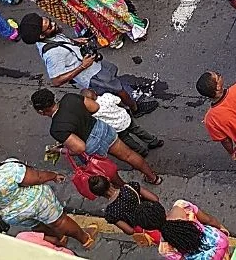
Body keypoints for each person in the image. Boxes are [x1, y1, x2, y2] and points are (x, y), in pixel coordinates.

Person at [30, 88, 162, 184]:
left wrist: (60, 150)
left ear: (41, 112)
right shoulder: (70, 98)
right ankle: (154, 178)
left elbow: (79, 148)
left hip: (91, 146)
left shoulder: (56, 129)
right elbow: (95, 107)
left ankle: (124, 188)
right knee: (128, 155)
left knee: (109, 171)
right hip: (103, 129)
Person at [0, 155, 97, 249]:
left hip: (14, 215)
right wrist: (53, 176)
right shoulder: (6, 172)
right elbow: (37, 177)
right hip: (37, 202)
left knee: (38, 225)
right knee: (60, 222)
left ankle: (60, 239)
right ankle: (85, 239)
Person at [81, 89, 162, 157]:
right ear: (94, 92)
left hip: (117, 129)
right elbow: (119, 101)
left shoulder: (93, 113)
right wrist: (124, 108)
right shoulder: (107, 96)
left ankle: (141, 151)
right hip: (125, 118)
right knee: (139, 130)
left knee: (127, 140)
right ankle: (154, 141)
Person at [88, 177, 164, 246]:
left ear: (97, 195)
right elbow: (155, 199)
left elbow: (130, 231)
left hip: (145, 229)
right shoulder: (130, 187)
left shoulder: (111, 213)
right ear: (108, 179)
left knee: (163, 243)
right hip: (156, 215)